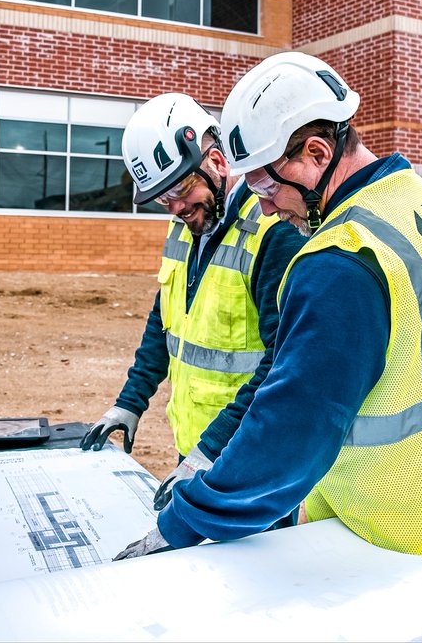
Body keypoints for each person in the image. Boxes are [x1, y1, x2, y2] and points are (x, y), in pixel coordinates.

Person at [115, 53, 422, 587]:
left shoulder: (340, 262)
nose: (266, 209)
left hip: (398, 541)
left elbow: (291, 429)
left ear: (315, 153)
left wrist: (184, 521)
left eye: (268, 189)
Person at [81, 93, 305, 509]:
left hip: (248, 457)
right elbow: (164, 320)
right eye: (165, 198)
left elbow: (283, 363)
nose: (177, 207)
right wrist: (129, 403)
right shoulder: (184, 226)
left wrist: (212, 451)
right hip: (196, 451)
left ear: (217, 162)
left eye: (182, 189)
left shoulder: (272, 233)